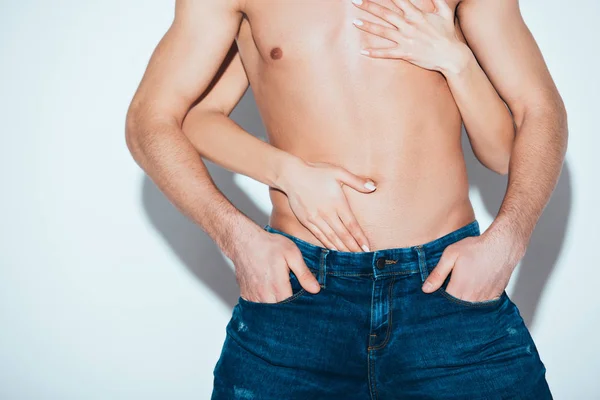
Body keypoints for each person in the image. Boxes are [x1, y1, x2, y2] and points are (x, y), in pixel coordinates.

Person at [125, 0, 567, 398]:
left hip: (448, 289)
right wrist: (254, 216)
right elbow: (157, 120)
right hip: (299, 291)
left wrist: (457, 62)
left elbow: (525, 126)